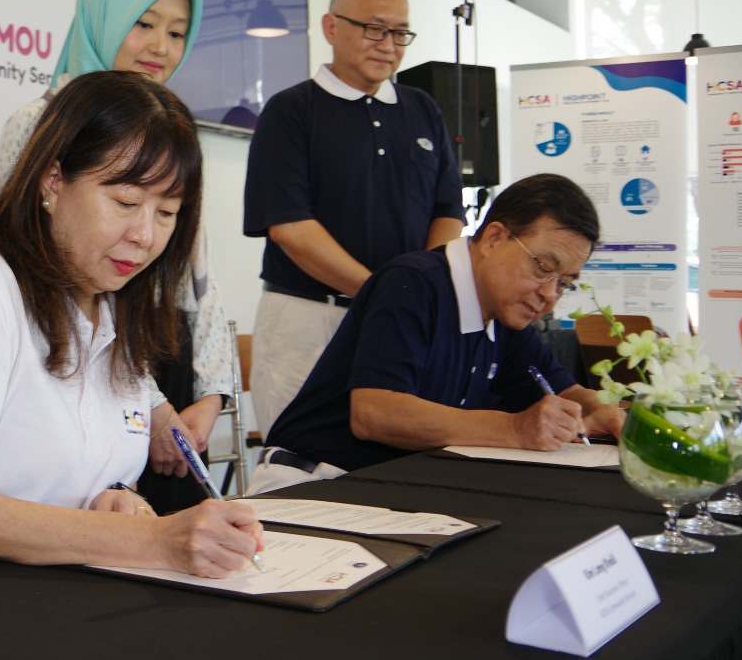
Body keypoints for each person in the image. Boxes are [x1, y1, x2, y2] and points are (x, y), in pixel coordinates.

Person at [0, 71, 262, 582]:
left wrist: (110, 502)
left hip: (47, 594)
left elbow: (60, 486)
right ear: (53, 181)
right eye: (125, 203)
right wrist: (151, 540)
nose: (144, 235)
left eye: (166, 213)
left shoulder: (113, 306)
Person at [0, 0, 236, 509]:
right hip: (82, 363)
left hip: (162, 353)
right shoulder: (38, 124)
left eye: (177, 33)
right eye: (143, 23)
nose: (161, 47)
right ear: (101, 17)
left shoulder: (172, 131)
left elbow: (196, 275)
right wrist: (148, 402)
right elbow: (36, 272)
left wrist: (212, 394)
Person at [250, 173, 626, 492]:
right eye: (543, 267)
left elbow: (562, 390)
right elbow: (375, 414)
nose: (549, 294)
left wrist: (599, 411)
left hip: (398, 488)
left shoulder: (506, 314)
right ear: (494, 238)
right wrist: (514, 429)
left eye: (564, 283)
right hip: (317, 483)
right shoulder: (413, 284)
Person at [243, 0, 465, 433]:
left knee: (392, 459)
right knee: (297, 460)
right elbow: (290, 227)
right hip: (309, 319)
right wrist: (385, 294)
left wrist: (418, 294)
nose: (388, 45)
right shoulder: (291, 110)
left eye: (400, 33)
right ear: (331, 27)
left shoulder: (424, 110)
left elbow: (447, 212)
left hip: (399, 323)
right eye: (374, 28)